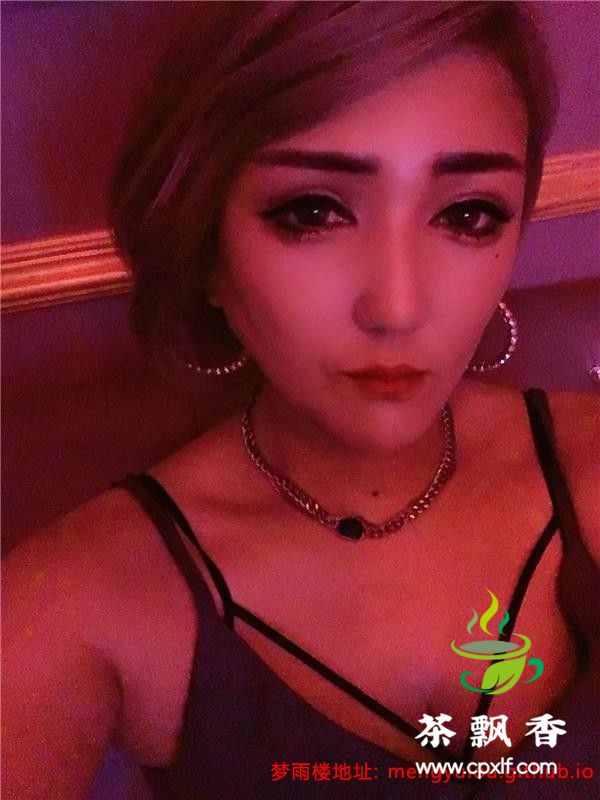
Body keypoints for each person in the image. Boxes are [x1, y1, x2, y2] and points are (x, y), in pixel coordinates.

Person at [3, 2, 598, 798]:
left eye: (467, 213)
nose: (397, 308)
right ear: (204, 248)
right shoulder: (71, 608)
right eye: (313, 211)